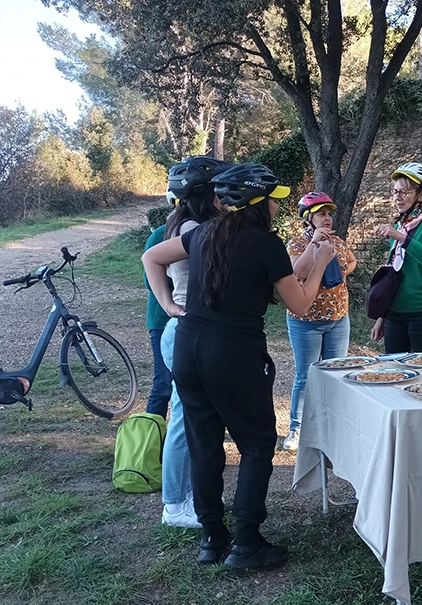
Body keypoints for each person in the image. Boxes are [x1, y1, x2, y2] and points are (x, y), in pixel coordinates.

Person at [142, 163, 335, 570]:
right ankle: (247, 540)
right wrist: (320, 262)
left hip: (189, 350)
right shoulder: (264, 242)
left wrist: (169, 307)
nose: (277, 208)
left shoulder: (201, 233)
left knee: (205, 443)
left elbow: (151, 258)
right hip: (233, 353)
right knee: (258, 443)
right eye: (273, 200)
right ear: (259, 203)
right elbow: (299, 303)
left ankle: (212, 538)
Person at [157, 156, 231, 528]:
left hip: (189, 329)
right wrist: (170, 304)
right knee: (184, 420)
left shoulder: (187, 222)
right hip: (188, 329)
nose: (224, 198)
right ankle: (175, 504)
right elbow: (150, 261)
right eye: (218, 190)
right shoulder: (191, 227)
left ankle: (194, 494)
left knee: (194, 418)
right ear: (204, 193)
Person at [282, 192, 357, 451]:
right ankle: (297, 428)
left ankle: (334, 425)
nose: (327, 218)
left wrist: (342, 271)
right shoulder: (296, 244)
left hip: (338, 318)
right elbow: (296, 272)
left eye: (328, 213)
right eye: (321, 214)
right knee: (306, 376)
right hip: (306, 320)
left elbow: (352, 260)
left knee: (336, 374)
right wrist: (314, 245)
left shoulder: (337, 240)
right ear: (308, 218)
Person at [370, 162, 422, 353]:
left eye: (404, 192)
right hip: (395, 314)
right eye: (395, 192)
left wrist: (400, 237)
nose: (398, 197)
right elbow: (395, 275)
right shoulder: (399, 227)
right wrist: (383, 316)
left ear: (421, 196)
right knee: (394, 373)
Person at [143, 224, 172, 419]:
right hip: (162, 320)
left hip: (196, 320)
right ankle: (151, 438)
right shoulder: (162, 233)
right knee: (163, 384)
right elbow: (148, 279)